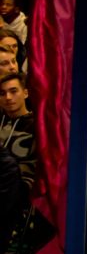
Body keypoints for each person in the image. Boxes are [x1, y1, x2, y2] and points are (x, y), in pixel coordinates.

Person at [0, 72, 36, 227]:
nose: (8, 97)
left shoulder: (37, 126)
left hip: (20, 196)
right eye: (2, 93)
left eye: (13, 91)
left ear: (25, 93)